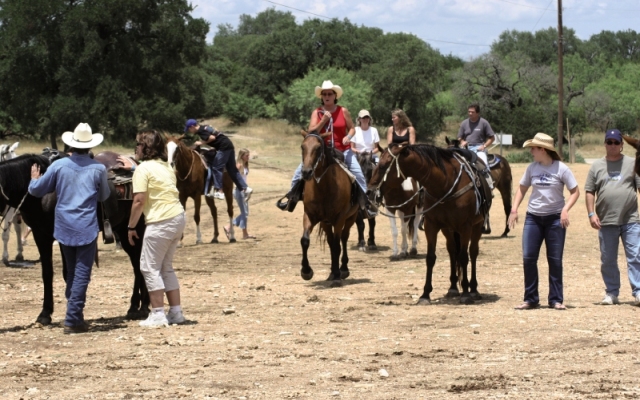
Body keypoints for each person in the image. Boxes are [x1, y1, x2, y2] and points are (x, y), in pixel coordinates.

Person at [28, 123, 110, 334]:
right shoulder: (99, 169)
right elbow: (103, 196)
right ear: (90, 146)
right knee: (82, 273)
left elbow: (37, 191)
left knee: (73, 271)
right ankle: (73, 319)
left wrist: (33, 179)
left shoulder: (58, 166)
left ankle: (76, 315)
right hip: (86, 226)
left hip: (64, 225)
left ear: (71, 146)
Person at [277, 80, 377, 217]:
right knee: (298, 173)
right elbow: (311, 131)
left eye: (330, 93)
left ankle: (365, 205)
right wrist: (323, 120)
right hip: (321, 151)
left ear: (335, 96)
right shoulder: (317, 112)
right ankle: (291, 199)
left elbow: (352, 128)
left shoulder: (343, 111)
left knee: (358, 174)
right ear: (321, 97)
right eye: (324, 94)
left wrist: (348, 136)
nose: (327, 96)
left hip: (343, 149)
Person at [508, 132, 580, 311]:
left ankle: (555, 299)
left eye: (534, 148)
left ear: (543, 149)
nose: (531, 151)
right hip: (533, 218)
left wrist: (565, 210)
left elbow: (575, 191)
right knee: (528, 258)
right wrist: (514, 209)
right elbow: (522, 189)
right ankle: (531, 299)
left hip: (555, 219)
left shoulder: (561, 168)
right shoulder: (532, 168)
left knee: (555, 260)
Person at [127, 130, 187, 327]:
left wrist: (131, 226)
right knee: (165, 267)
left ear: (146, 148)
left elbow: (139, 201)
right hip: (177, 216)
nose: (136, 148)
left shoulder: (143, 169)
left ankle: (158, 314)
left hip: (160, 221)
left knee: (148, 267)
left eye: (138, 144)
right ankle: (176, 312)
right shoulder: (167, 166)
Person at [584, 129, 640, 306]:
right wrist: (591, 213)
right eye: (609, 142)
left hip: (630, 219)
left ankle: (638, 292)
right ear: (605, 144)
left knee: (635, 256)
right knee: (608, 258)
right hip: (606, 220)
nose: (613, 145)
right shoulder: (597, 166)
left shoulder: (632, 163)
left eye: (616, 142)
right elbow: (589, 191)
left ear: (622, 145)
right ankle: (612, 293)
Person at [184, 119, 251, 201]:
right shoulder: (205, 127)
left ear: (192, 127)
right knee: (232, 170)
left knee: (216, 167)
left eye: (189, 129)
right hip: (229, 145)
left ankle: (220, 191)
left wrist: (200, 143)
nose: (189, 131)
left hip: (223, 147)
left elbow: (212, 137)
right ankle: (245, 188)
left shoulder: (200, 131)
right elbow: (215, 136)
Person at [457, 103, 495, 188]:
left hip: (479, 148)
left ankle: (489, 185)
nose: (470, 113)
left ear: (478, 113)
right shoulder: (464, 123)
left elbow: (492, 138)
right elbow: (459, 137)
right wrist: (462, 141)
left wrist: (484, 146)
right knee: (457, 163)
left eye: (472, 112)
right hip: (466, 148)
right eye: (469, 112)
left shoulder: (484, 123)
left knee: (483, 165)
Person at [225, 148, 255, 240]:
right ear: (241, 156)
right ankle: (229, 227)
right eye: (246, 155)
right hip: (240, 191)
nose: (248, 157)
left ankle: (245, 234)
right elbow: (233, 175)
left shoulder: (245, 165)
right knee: (245, 213)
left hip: (244, 191)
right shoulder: (239, 164)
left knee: (245, 213)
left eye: (248, 155)